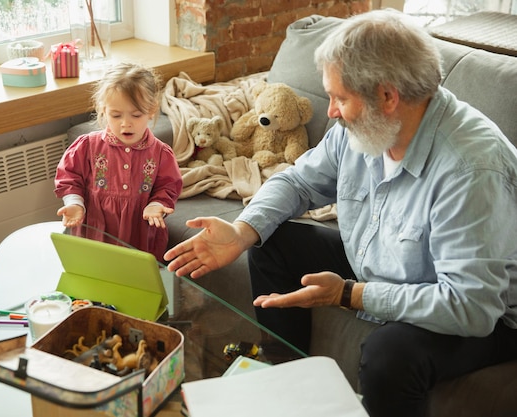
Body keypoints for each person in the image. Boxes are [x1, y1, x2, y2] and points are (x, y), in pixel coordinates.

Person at [164, 9, 517, 417]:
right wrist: (242, 231)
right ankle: (288, 386)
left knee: (389, 357)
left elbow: (470, 306)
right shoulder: (363, 129)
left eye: (340, 98)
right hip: (387, 261)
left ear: (387, 96)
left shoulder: (471, 169)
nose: (329, 111)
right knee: (271, 238)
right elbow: (297, 182)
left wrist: (350, 294)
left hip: (484, 313)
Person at [55, 62, 182, 262]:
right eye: (116, 115)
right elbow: (69, 176)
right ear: (103, 110)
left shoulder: (161, 153)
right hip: (94, 233)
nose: (126, 123)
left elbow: (168, 186)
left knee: (137, 282)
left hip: (139, 235)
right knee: (96, 280)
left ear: (151, 110)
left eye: (136, 115)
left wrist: (156, 204)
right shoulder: (87, 146)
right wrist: (74, 203)